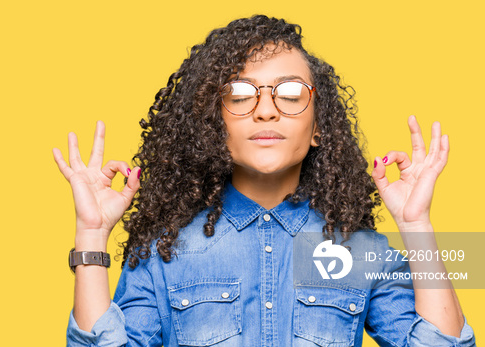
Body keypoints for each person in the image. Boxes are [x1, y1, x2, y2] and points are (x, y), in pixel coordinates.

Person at [53, 15, 475, 346]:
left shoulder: (361, 252)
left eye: (290, 94)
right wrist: (91, 235)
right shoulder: (164, 252)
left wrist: (417, 226)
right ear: (214, 124)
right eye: (240, 94)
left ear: (318, 128)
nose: (266, 110)